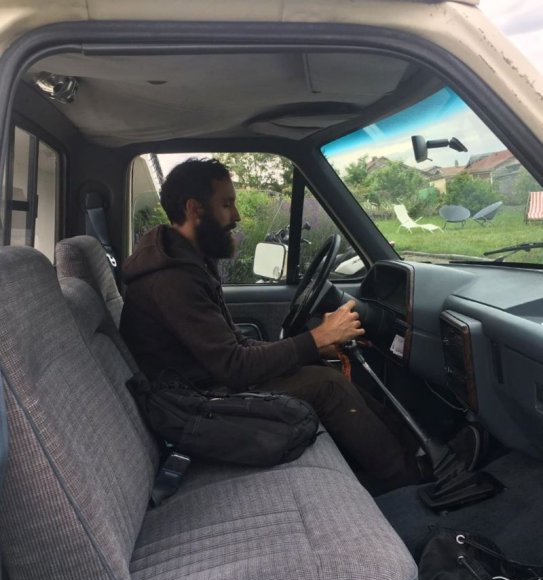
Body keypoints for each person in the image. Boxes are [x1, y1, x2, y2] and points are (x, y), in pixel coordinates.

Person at [120, 158, 471, 491]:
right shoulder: (172, 280)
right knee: (327, 385)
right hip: (192, 406)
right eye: (227, 204)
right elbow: (233, 366)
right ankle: (408, 479)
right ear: (194, 209)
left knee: (323, 367)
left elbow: (233, 345)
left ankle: (412, 449)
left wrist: (314, 346)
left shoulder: (188, 261)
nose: (237, 216)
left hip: (202, 385)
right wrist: (315, 338)